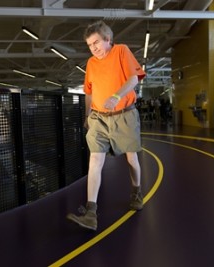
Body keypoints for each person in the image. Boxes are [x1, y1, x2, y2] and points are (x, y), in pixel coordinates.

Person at [66, 20, 146, 231]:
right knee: (95, 160)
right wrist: (87, 114)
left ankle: (136, 191)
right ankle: (91, 212)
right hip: (99, 118)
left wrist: (116, 96)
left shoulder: (121, 51)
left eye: (96, 43)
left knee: (131, 158)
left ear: (108, 40)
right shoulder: (91, 63)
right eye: (90, 45)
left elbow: (134, 79)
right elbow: (89, 92)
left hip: (124, 115)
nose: (93, 48)